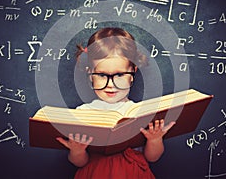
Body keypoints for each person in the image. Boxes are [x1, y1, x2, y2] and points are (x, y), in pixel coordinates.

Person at [56, 27, 175, 178]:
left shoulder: (140, 111)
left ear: (132, 73)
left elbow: (152, 158)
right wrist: (77, 151)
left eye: (119, 74)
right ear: (90, 75)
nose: (110, 84)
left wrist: (155, 139)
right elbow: (80, 163)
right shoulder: (82, 113)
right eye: (101, 75)